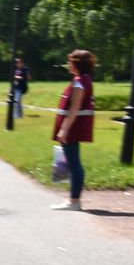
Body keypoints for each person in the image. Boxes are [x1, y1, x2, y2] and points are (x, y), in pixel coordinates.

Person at [52, 49, 95, 210]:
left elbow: (75, 108)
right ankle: (74, 200)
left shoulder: (79, 83)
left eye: (70, 62)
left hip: (73, 128)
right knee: (74, 163)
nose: (68, 65)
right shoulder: (84, 80)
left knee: (74, 164)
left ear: (77, 64)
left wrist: (64, 129)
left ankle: (74, 202)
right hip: (75, 127)